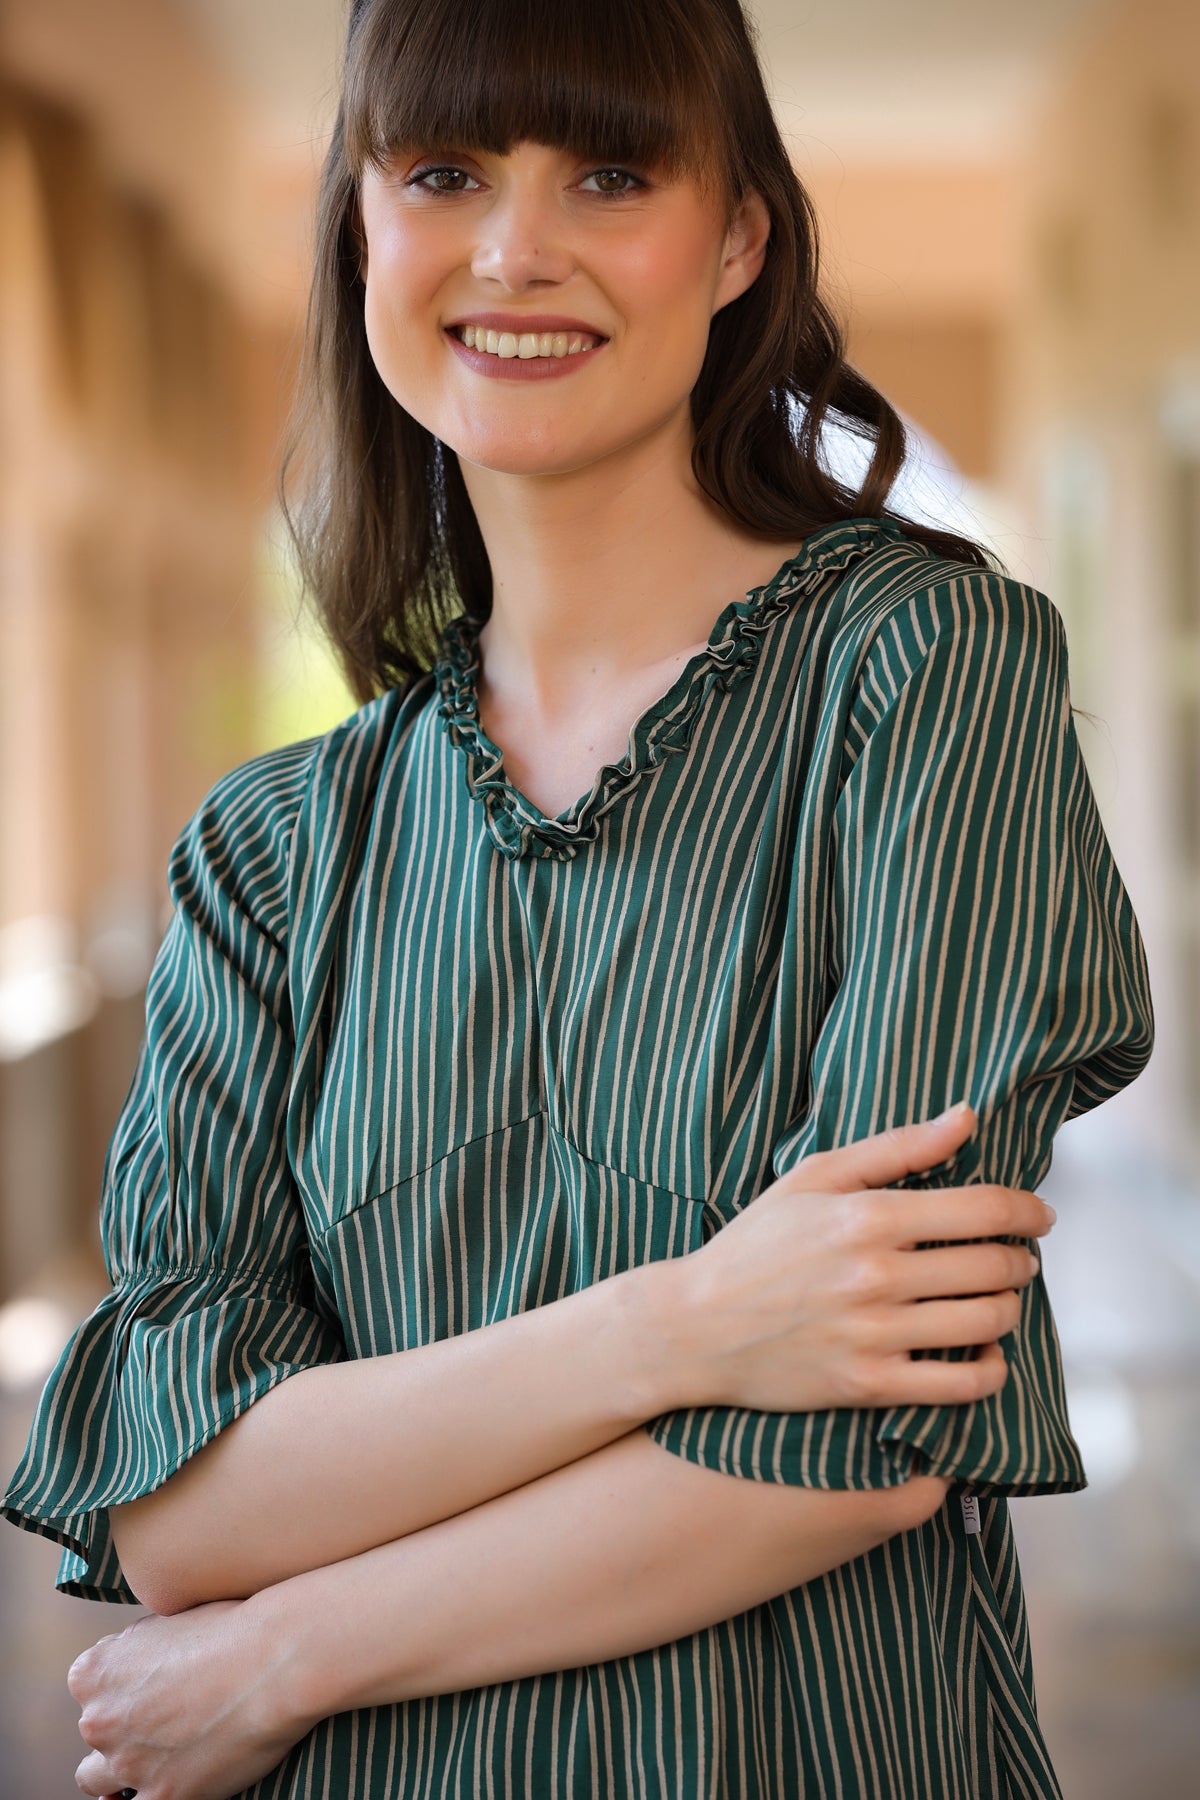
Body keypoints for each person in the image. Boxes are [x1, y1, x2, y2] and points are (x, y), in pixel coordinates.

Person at [1, 1, 1155, 1796]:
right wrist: (690, 1321)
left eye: (610, 173)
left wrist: (286, 1650)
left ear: (738, 238)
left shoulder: (924, 672)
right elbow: (178, 1510)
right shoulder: (272, 848)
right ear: (363, 230)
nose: (515, 250)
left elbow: (871, 1430)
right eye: (445, 172)